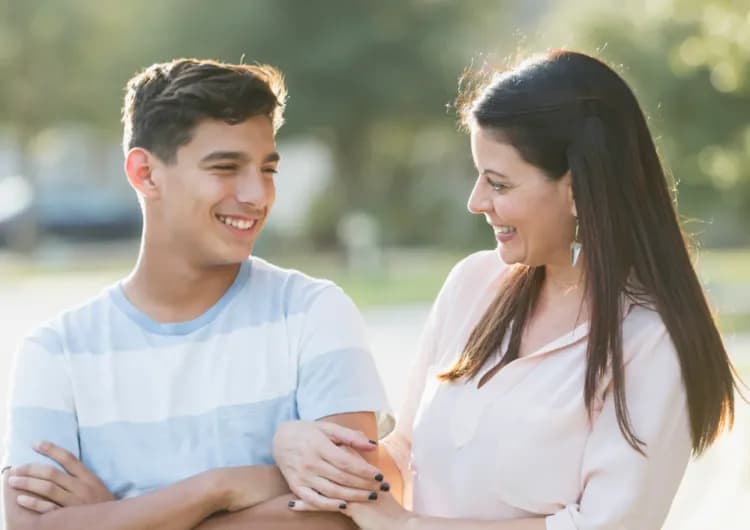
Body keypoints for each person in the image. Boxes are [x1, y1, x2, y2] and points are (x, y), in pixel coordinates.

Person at [271, 50, 741, 529]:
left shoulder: (652, 338)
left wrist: (405, 526)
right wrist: (304, 447)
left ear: (578, 190)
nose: (477, 202)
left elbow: (606, 525)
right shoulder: (472, 285)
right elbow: (408, 455)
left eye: (498, 184)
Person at [1, 58, 391, 530]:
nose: (257, 195)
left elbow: (352, 512)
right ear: (145, 173)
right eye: (226, 167)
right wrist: (218, 488)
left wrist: (119, 518)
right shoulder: (55, 352)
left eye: (267, 170)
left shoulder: (313, 312)